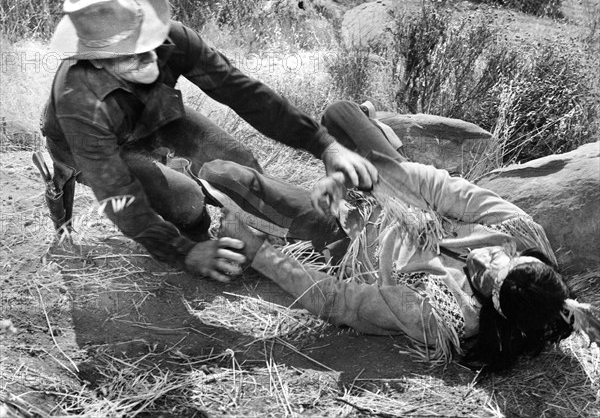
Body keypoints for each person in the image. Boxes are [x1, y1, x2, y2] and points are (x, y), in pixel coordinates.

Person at [40, 0, 377, 282]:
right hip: (84, 146)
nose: (150, 58)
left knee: (240, 162)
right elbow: (117, 194)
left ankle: (282, 233)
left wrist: (324, 144)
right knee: (186, 202)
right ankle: (191, 233)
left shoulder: (174, 38)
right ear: (98, 59)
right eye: (131, 54)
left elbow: (244, 93)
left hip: (154, 116)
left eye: (149, 41)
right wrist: (184, 252)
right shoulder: (78, 101)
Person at [219, 100, 600, 372]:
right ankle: (381, 137)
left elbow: (341, 304)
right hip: (403, 195)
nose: (485, 259)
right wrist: (373, 181)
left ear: (494, 306)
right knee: (339, 114)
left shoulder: (444, 320)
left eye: (486, 277)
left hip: (352, 242)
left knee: (228, 179)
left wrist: (260, 255)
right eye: (503, 259)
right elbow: (442, 186)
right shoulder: (521, 232)